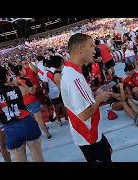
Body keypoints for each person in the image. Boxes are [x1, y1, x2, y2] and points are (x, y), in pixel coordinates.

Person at [61, 33, 113, 162]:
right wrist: (99, 99)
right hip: (88, 133)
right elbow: (84, 114)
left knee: (108, 152)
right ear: (80, 48)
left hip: (87, 132)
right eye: (90, 46)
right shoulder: (74, 77)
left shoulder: (70, 72)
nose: (94, 50)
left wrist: (95, 95)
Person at [0, 65, 44, 162]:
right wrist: (18, 83)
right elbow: (30, 91)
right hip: (27, 123)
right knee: (37, 154)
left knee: (20, 159)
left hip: (10, 129)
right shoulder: (17, 89)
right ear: (6, 76)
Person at [13, 65, 51, 139]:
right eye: (23, 69)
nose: (25, 71)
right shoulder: (26, 80)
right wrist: (34, 87)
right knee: (39, 119)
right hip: (31, 100)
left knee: (30, 120)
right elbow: (32, 92)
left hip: (23, 103)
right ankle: (47, 134)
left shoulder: (14, 82)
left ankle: (35, 134)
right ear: (20, 71)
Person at [42, 55, 68, 126]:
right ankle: (66, 118)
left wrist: (46, 94)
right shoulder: (58, 69)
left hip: (53, 92)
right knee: (63, 104)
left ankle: (59, 120)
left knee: (56, 106)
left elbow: (44, 84)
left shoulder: (46, 73)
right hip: (61, 89)